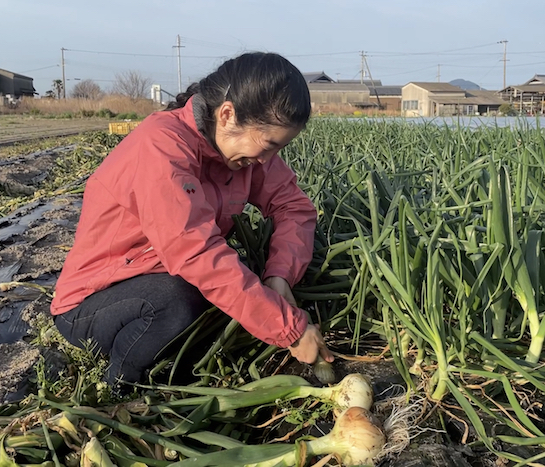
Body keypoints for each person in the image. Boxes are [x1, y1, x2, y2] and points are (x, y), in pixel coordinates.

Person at [50, 52, 333, 386]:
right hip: (92, 304)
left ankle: (170, 364)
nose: (267, 161)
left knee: (224, 283)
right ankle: (122, 385)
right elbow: (196, 253)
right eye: (268, 145)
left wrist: (280, 276)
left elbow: (294, 209)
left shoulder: (246, 154)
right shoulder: (161, 147)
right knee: (181, 298)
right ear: (227, 114)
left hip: (158, 278)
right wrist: (291, 330)